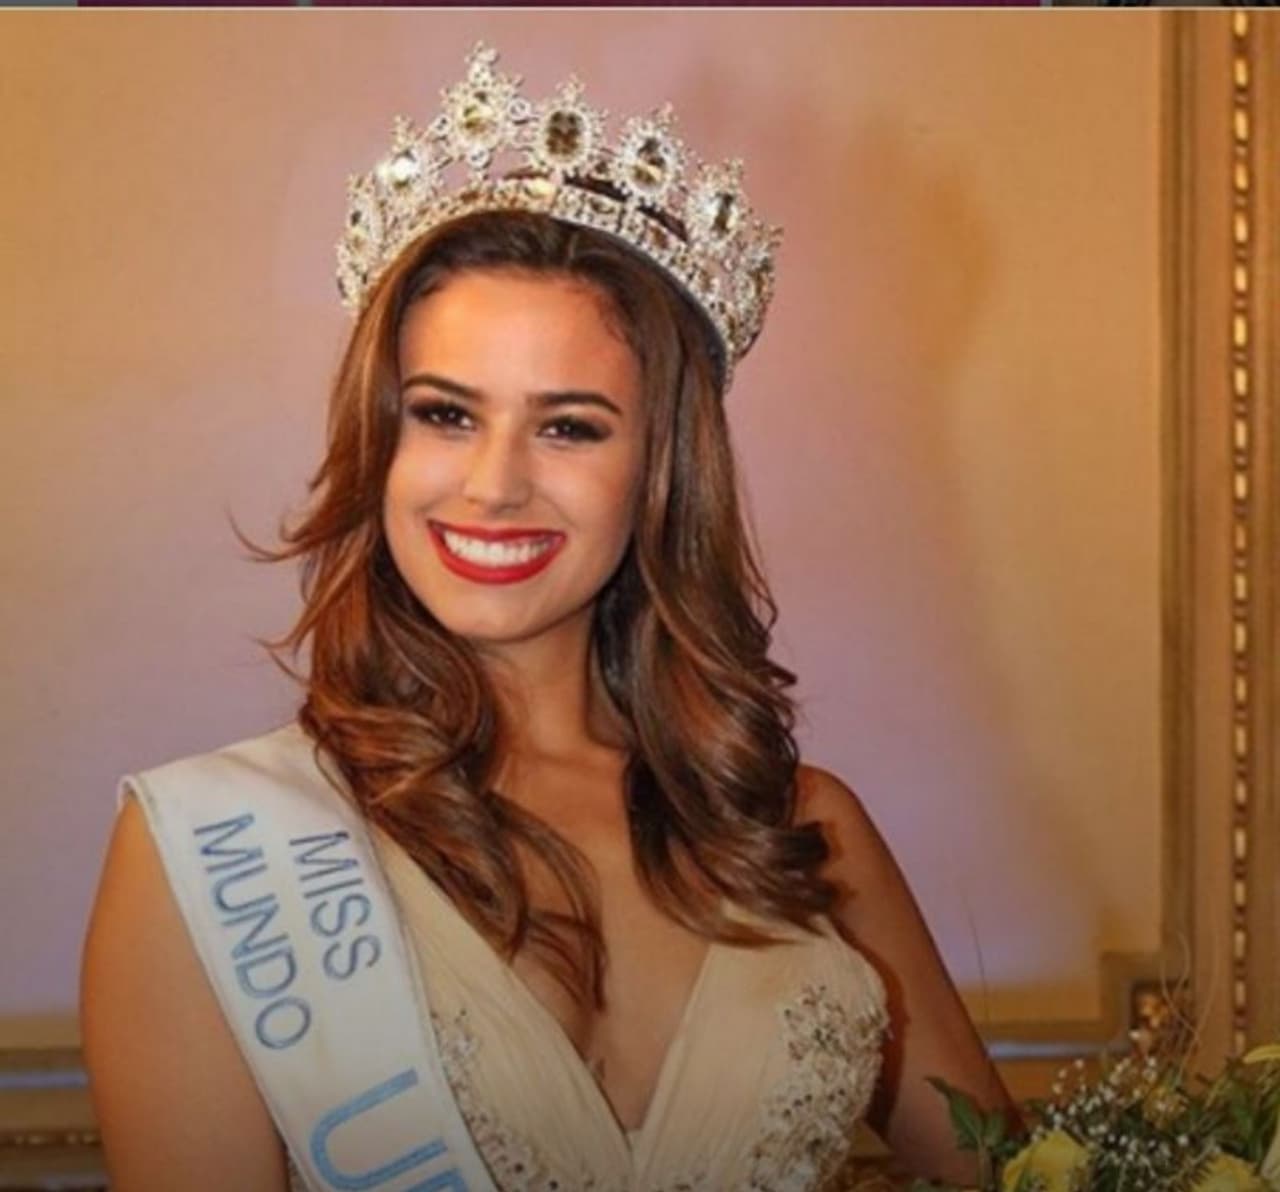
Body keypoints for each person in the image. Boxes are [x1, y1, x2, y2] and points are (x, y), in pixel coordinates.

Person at [79, 43, 1015, 1191]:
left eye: (568, 426)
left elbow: (1014, 1175)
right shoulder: (216, 851)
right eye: (444, 414)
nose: (492, 485)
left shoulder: (798, 830)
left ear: (659, 470)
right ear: (380, 441)